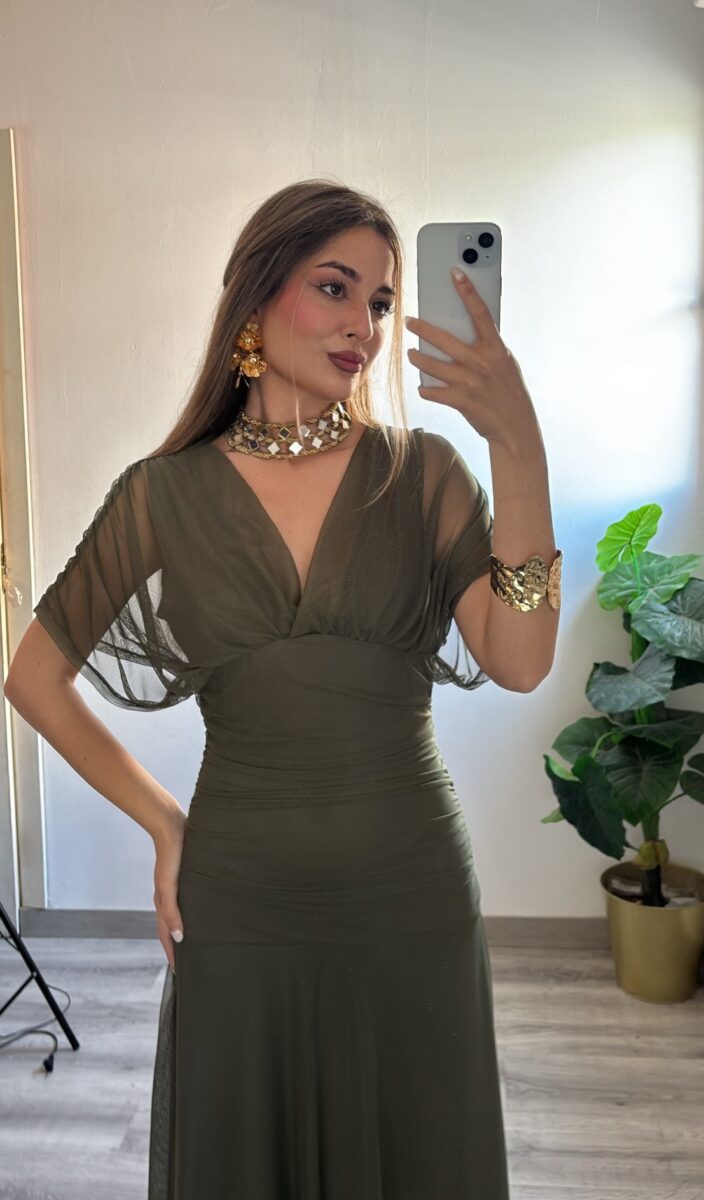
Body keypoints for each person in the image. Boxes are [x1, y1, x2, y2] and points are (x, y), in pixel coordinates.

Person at [5, 178, 560, 1198]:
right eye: (335, 288)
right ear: (257, 296)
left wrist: (515, 441)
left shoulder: (425, 474)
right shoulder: (163, 493)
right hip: (239, 897)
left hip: (411, 897)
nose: (364, 327)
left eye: (380, 302)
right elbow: (33, 677)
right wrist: (164, 824)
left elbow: (520, 660)